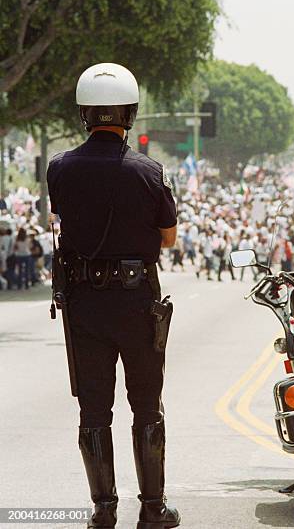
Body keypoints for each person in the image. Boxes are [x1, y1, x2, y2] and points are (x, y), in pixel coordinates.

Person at [46, 63, 180, 529]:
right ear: (130, 113)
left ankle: (104, 511)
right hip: (136, 301)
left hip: (84, 304)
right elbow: (168, 239)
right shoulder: (149, 171)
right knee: (146, 406)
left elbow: (66, 217)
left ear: (85, 114)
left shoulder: (59, 168)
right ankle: (153, 509)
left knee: (93, 410)